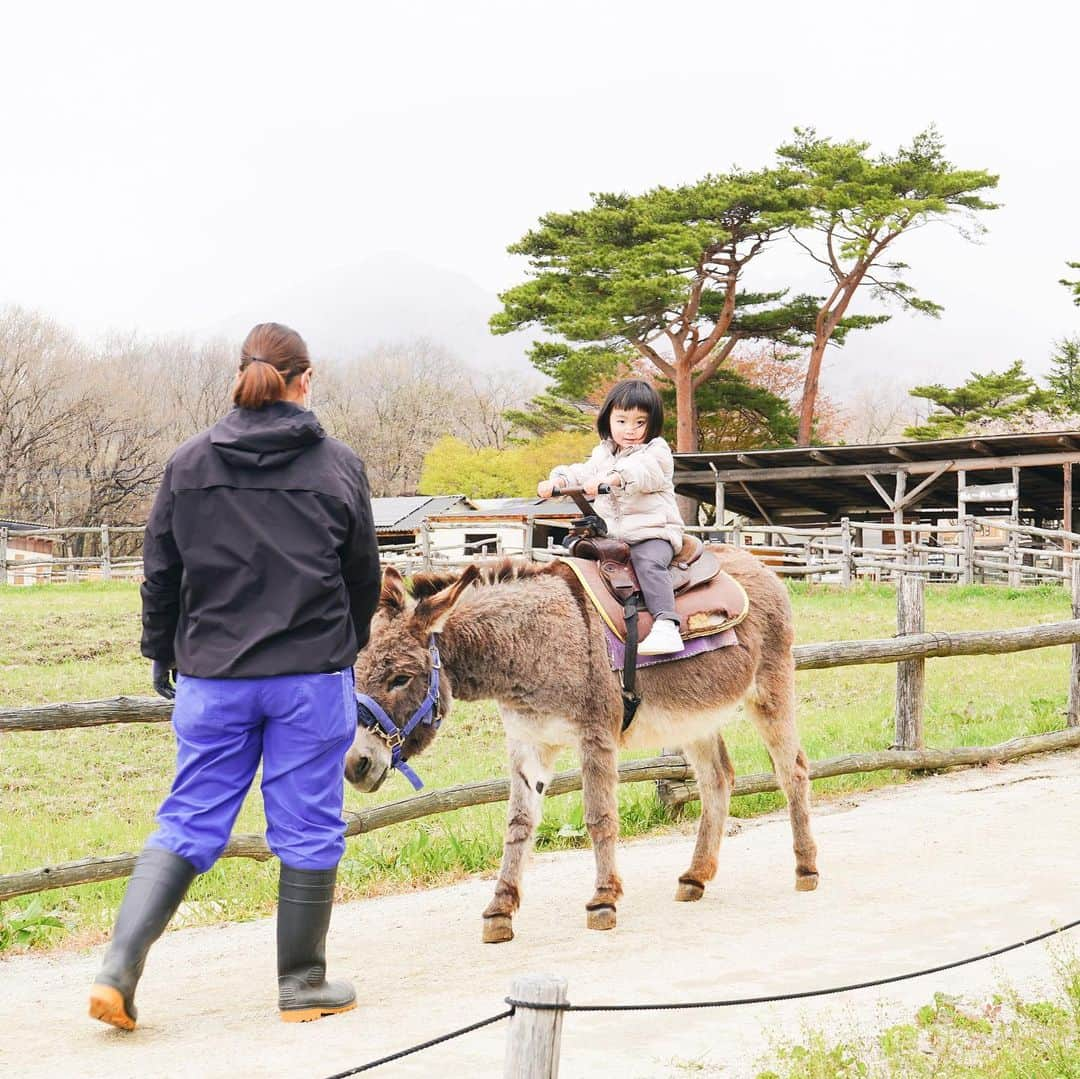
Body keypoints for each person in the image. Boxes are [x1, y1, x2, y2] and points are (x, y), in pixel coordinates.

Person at [89, 322, 380, 1030]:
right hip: (309, 675)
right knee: (308, 823)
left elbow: (161, 572)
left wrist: (163, 650)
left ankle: (117, 971)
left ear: (244, 376)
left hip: (212, 675)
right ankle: (302, 983)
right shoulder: (336, 465)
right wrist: (347, 643)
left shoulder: (189, 463)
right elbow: (363, 576)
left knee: (188, 817)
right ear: (304, 380)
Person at [538, 378, 685, 655]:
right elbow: (584, 471)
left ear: (652, 424)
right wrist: (557, 480)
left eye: (640, 423)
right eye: (622, 421)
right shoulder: (604, 453)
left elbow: (643, 471)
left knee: (649, 563)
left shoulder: (657, 452)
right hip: (612, 535)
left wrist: (616, 478)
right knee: (573, 551)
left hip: (651, 532)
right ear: (608, 420)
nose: (630, 430)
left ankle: (667, 624)